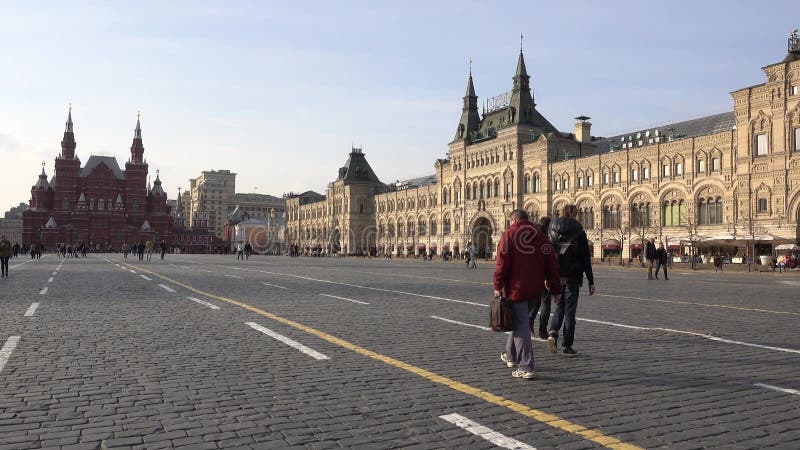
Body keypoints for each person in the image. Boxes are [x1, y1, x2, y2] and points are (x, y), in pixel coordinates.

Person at [495, 209, 561, 380]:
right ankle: (510, 355)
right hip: (535, 289)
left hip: (517, 289)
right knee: (519, 321)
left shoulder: (509, 235)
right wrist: (555, 290)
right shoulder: (540, 236)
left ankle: (526, 365)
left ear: (514, 220)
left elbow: (502, 263)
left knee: (521, 325)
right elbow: (551, 264)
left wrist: (498, 285)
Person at [547, 204, 596, 356]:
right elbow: (585, 258)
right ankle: (567, 346)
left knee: (559, 307)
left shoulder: (551, 229)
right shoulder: (579, 230)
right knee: (570, 312)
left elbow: (548, 254)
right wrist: (590, 280)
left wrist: (546, 275)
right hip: (572, 277)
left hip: (556, 275)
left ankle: (553, 334)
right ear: (573, 213)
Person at [528, 216, 553, 340]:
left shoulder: (531, 236)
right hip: (544, 276)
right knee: (545, 302)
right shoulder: (546, 239)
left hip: (532, 275)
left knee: (535, 301)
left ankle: (528, 322)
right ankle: (543, 330)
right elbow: (548, 260)